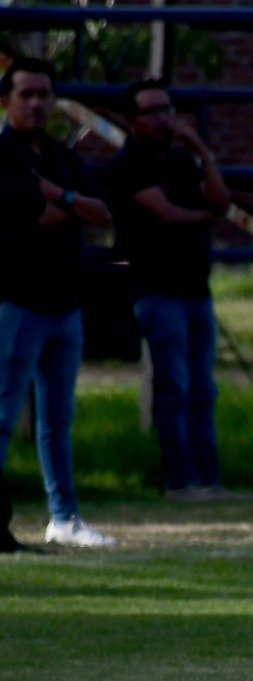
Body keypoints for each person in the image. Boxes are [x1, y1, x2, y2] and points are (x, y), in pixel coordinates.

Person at [0, 56, 116, 552]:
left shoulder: (61, 158)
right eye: (25, 94)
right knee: (3, 415)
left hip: (64, 301)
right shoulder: (4, 155)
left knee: (57, 420)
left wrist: (57, 195)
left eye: (44, 94)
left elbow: (101, 213)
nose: (36, 103)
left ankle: (64, 517)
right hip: (16, 301)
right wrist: (66, 206)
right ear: (6, 100)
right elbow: (34, 217)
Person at [105, 77, 232, 500]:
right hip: (158, 289)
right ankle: (179, 478)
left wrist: (202, 152)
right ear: (133, 119)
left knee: (202, 388)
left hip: (196, 288)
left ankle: (208, 477)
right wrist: (206, 218)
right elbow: (168, 214)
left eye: (168, 109)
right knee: (174, 386)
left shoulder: (180, 161)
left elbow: (220, 202)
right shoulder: (129, 164)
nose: (164, 119)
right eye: (153, 111)